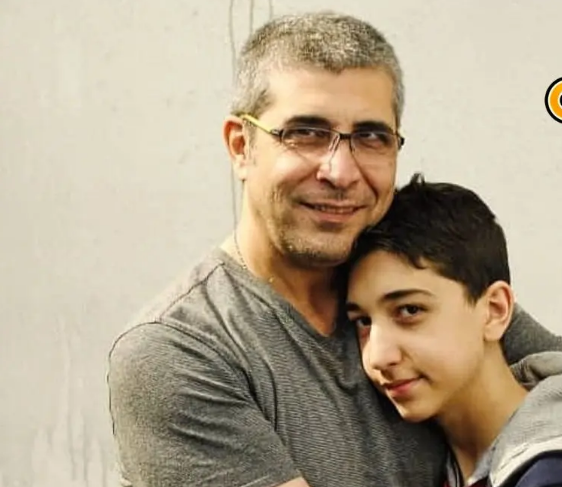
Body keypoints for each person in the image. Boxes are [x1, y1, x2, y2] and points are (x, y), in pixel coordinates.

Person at [107, 11, 562, 487]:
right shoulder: (180, 352)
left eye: (370, 137)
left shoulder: (410, 274)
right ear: (241, 146)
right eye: (305, 133)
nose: (341, 172)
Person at [346, 173, 562, 487]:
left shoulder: (549, 473)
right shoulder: (448, 464)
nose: (377, 357)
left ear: (495, 311)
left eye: (410, 310)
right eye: (363, 321)